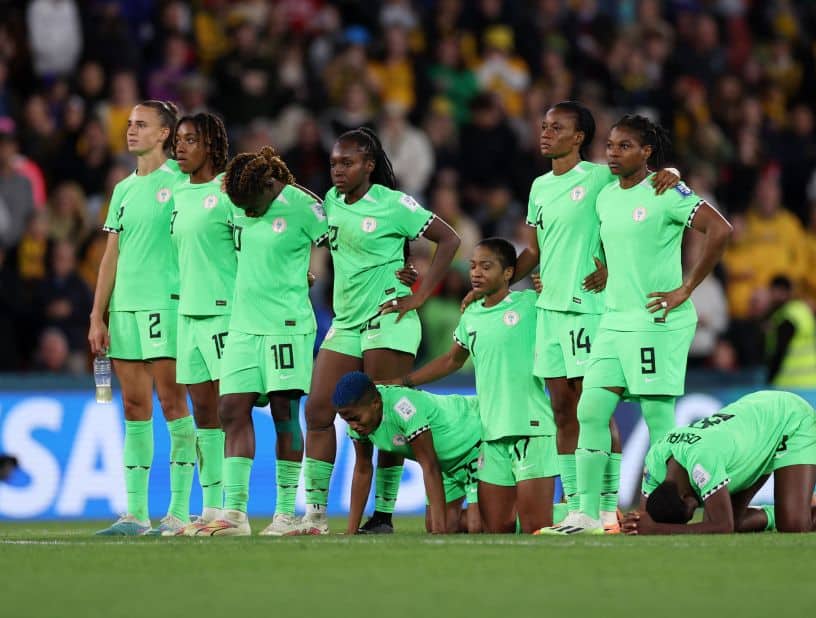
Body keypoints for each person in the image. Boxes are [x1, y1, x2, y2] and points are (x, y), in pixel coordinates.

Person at [465, 101, 680, 526]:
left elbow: (646, 181)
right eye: (543, 125)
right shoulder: (539, 187)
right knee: (563, 409)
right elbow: (535, 252)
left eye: (556, 127)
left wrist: (673, 175)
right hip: (550, 311)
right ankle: (577, 506)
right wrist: (496, 288)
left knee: (594, 406)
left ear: (579, 137)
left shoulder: (600, 176)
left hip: (588, 309)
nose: (545, 132)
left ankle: (604, 506)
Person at [540, 114, 732, 535]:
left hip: (655, 322)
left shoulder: (666, 191)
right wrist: (606, 271)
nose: (612, 152)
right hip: (613, 320)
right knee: (590, 410)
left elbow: (719, 229)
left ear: (646, 152)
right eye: (610, 145)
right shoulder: (606, 196)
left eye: (624, 146)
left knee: (659, 419)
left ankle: (665, 509)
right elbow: (609, 244)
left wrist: (686, 288)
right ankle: (587, 514)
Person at [302, 128, 460, 536]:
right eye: (334, 162)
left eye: (347, 163)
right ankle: (315, 515)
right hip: (347, 321)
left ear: (368, 165)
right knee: (318, 409)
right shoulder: (333, 202)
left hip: (388, 317)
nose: (338, 170)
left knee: (386, 413)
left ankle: (384, 516)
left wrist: (421, 294)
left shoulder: (394, 205)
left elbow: (449, 238)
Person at [192, 147, 329, 536]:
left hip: (286, 325)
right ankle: (234, 516)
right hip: (242, 324)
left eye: (252, 205)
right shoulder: (239, 193)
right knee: (231, 409)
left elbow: (341, 242)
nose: (247, 212)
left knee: (285, 414)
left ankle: (285, 514)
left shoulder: (303, 206)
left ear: (270, 185)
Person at [398, 238, 558, 533]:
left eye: (486, 266)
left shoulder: (531, 304)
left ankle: (579, 514)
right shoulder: (471, 314)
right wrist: (406, 381)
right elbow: (451, 361)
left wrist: (551, 293)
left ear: (509, 272)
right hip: (491, 433)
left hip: (532, 430)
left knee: (537, 527)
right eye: (473, 266)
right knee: (496, 528)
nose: (476, 273)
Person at [88, 100, 193, 536]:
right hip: (124, 309)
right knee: (134, 406)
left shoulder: (182, 183)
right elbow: (111, 255)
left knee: (173, 403)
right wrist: (98, 314)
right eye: (129, 124)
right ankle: (135, 514)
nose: (131, 130)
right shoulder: (123, 189)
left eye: (141, 124)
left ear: (165, 133)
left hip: (165, 306)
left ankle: (180, 513)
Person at [622, 390, 816, 535]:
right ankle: (804, 506)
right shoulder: (658, 458)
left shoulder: (701, 462)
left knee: (795, 526)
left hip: (789, 420)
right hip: (754, 427)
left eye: (692, 506)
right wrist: (635, 523)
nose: (698, 504)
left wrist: (658, 530)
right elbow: (646, 513)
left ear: (684, 495)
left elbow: (722, 527)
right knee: (732, 522)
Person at [168, 112, 233, 533]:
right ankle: (210, 509)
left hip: (224, 312)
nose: (180, 146)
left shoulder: (229, 190)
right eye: (178, 140)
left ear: (210, 145)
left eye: (190, 139)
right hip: (187, 314)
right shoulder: (176, 192)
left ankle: (234, 506)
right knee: (204, 414)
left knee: (231, 412)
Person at [334, 372, 481, 534]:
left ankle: (508, 512)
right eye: (347, 420)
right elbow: (363, 469)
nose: (353, 425)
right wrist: (351, 531)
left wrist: (440, 532)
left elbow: (429, 465)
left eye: (355, 418)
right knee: (435, 524)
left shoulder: (403, 408)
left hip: (473, 443)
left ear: (376, 403)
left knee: (476, 525)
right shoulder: (357, 420)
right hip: (446, 466)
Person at [764, 275, 816, 389]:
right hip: (813, 382)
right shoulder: (802, 311)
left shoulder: (788, 317)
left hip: (790, 384)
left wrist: (769, 381)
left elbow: (779, 351)